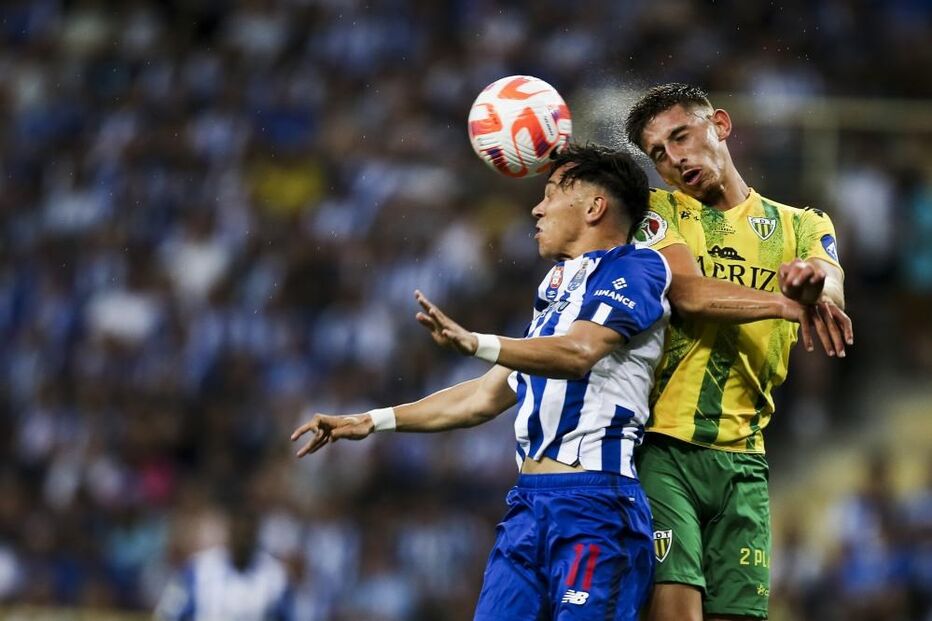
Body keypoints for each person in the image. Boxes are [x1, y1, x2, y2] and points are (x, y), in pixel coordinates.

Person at [292, 144, 668, 620]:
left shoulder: (636, 267)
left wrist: (477, 342)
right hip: (528, 511)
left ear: (595, 208)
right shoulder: (556, 292)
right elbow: (482, 396)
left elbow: (579, 354)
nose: (537, 207)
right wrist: (372, 420)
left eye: (551, 193)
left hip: (596, 505)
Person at [623, 83, 853, 621]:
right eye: (658, 153)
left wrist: (813, 285)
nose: (674, 159)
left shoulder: (802, 224)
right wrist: (783, 303)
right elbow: (689, 293)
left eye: (680, 136)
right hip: (665, 451)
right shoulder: (659, 213)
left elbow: (832, 283)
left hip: (745, 462)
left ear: (720, 126)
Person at [155, 509, 294, 621]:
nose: (242, 539)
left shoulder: (274, 574)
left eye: (247, 534)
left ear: (256, 535)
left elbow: (287, 615)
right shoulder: (199, 569)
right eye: (238, 533)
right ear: (229, 533)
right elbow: (168, 613)